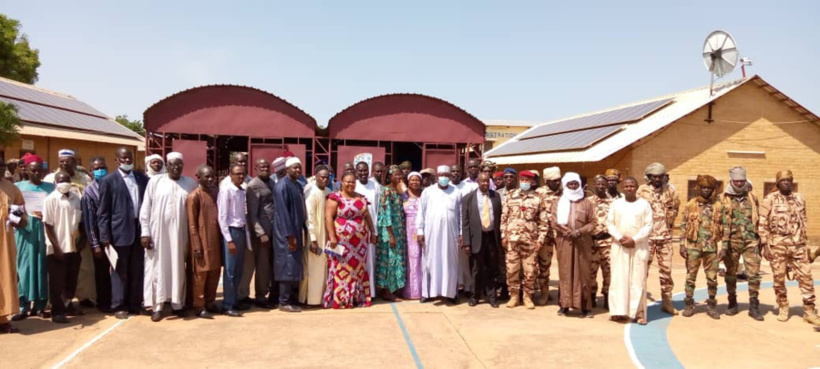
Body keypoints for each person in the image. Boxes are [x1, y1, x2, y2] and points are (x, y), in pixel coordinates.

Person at [139, 153, 196, 322]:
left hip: (181, 235)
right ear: (167, 166)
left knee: (178, 267)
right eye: (172, 164)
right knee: (158, 268)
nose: (176, 167)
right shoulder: (155, 182)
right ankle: (157, 306)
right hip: (158, 234)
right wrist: (145, 232)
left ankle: (177, 304)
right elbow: (145, 208)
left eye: (179, 164)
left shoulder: (190, 184)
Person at [759, 170, 820, 326]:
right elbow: (762, 223)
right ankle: (783, 306)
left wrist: (803, 241)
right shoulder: (770, 199)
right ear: (778, 182)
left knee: (806, 278)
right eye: (783, 180)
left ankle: (809, 310)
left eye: (789, 180)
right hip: (777, 245)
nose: (786, 182)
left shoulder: (799, 198)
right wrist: (765, 244)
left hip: (798, 245)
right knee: (778, 279)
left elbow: (803, 220)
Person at [98, 147, 149, 319]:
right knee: (119, 271)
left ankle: (135, 303)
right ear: (117, 160)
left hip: (139, 230)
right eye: (123, 158)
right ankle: (119, 304)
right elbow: (103, 212)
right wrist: (104, 237)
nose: (127, 161)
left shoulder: (142, 179)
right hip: (119, 232)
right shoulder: (108, 181)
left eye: (129, 158)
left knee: (137, 269)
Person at [43, 149, 95, 307]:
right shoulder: (50, 178)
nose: (65, 163)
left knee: (83, 266)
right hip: (57, 228)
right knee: (58, 269)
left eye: (68, 160)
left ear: (75, 161)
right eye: (62, 161)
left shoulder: (84, 178)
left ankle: (83, 296)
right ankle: (57, 304)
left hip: (77, 227)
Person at [323, 172, 375, 308]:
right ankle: (342, 299)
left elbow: (367, 216)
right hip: (341, 240)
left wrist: (373, 231)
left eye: (353, 182)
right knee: (341, 267)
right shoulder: (335, 197)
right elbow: (328, 217)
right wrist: (332, 236)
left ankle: (357, 298)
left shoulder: (361, 197)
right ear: (341, 182)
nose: (350, 184)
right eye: (347, 181)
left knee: (359, 269)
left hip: (360, 243)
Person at [606, 177, 653, 325]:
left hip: (638, 246)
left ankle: (638, 313)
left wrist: (635, 239)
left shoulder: (644, 205)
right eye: (626, 186)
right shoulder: (616, 204)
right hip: (619, 246)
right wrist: (620, 238)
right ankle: (618, 312)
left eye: (632, 186)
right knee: (619, 278)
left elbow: (648, 226)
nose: (629, 188)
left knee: (638, 280)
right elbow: (610, 224)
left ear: (637, 187)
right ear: (622, 188)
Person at [719, 166, 763, 321]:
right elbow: (719, 221)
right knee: (730, 274)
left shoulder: (752, 196)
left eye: (742, 180)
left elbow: (758, 217)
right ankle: (732, 303)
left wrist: (761, 240)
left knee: (754, 274)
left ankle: (754, 306)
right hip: (731, 242)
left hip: (751, 241)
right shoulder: (723, 198)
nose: (739, 183)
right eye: (736, 181)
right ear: (731, 180)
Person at [636, 162, 680, 315]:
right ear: (648, 177)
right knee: (642, 272)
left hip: (665, 238)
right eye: (654, 176)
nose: (657, 179)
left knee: (666, 271)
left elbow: (675, 207)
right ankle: (639, 304)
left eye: (660, 176)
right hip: (647, 238)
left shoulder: (671, 191)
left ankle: (667, 302)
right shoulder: (641, 191)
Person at [12, 155, 52, 321]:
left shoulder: (50, 187)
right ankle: (23, 305)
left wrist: (47, 214)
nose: (36, 173)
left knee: (41, 266)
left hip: (43, 230)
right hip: (24, 231)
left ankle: (41, 305)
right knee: (24, 267)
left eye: (39, 170)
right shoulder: (17, 187)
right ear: (26, 170)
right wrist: (22, 217)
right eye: (33, 170)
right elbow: (14, 210)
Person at [501, 170, 547, 309]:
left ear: (532, 182)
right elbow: (504, 218)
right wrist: (504, 235)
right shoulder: (510, 196)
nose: (524, 182)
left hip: (530, 240)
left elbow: (543, 222)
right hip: (513, 240)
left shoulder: (538, 198)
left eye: (527, 180)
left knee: (530, 270)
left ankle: (528, 296)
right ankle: (514, 296)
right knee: (512, 269)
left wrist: (540, 240)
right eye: (522, 180)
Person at [679, 175, 723, 320]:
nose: (705, 190)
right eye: (703, 187)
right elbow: (683, 225)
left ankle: (711, 305)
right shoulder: (691, 204)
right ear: (698, 188)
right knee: (690, 277)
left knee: (712, 278)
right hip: (693, 247)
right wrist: (682, 244)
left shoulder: (718, 205)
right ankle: (688, 304)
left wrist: (724, 247)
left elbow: (725, 226)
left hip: (711, 248)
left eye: (708, 188)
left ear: (713, 190)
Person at [417, 165, 462, 304]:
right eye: (441, 174)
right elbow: (421, 212)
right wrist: (420, 230)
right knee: (430, 261)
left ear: (449, 177)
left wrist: (461, 233)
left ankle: (450, 293)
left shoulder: (456, 192)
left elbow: (460, 214)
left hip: (451, 234)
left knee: (450, 262)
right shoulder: (428, 192)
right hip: (431, 233)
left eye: (446, 175)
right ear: (436, 176)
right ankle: (427, 293)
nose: (444, 177)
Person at [553, 172, 596, 317]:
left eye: (575, 183)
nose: (573, 186)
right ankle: (564, 305)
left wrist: (579, 231)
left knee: (583, 274)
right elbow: (554, 221)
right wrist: (568, 231)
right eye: (570, 184)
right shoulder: (558, 202)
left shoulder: (586, 202)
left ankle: (585, 307)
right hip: (565, 242)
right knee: (565, 273)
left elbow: (593, 222)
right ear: (565, 185)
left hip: (582, 242)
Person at [43, 171, 84, 323]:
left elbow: (79, 222)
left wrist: (81, 240)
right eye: (60, 180)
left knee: (71, 280)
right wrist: (56, 247)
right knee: (57, 282)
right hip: (57, 248)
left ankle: (67, 305)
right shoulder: (51, 199)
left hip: (73, 247)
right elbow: (48, 225)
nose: (64, 182)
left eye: (66, 180)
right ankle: (57, 311)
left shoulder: (75, 198)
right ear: (55, 182)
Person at [186, 165, 223, 319]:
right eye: (206, 177)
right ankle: (199, 306)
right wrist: (196, 245)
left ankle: (210, 302)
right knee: (200, 276)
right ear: (198, 177)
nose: (210, 179)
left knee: (214, 272)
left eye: (212, 176)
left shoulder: (215, 192)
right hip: (201, 242)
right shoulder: (194, 196)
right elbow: (192, 224)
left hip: (215, 240)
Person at [461, 173, 501, 308]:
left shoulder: (496, 197)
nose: (485, 184)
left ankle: (492, 297)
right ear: (477, 182)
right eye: (482, 181)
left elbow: (499, 217)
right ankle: (474, 296)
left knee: (491, 268)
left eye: (487, 181)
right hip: (476, 238)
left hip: (491, 237)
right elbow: (465, 222)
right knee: (476, 269)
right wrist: (466, 243)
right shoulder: (468, 198)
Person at [273, 157, 307, 313]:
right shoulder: (282, 186)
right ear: (287, 170)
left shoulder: (298, 185)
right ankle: (284, 301)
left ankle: (292, 299)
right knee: (287, 265)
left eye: (299, 168)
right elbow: (283, 213)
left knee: (294, 265)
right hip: (286, 234)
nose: (298, 171)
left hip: (296, 231)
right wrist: (290, 236)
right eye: (295, 168)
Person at [81, 157, 113, 313]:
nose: (100, 170)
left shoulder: (113, 185)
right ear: (91, 171)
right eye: (96, 168)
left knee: (116, 270)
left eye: (103, 167)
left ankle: (117, 299)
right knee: (102, 272)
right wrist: (94, 244)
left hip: (116, 237)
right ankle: (104, 302)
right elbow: (89, 220)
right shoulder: (89, 192)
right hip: (100, 239)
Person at [217, 164, 249, 318]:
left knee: (238, 270)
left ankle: (234, 300)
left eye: (242, 174)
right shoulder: (226, 191)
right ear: (231, 175)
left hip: (241, 232)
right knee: (230, 271)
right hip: (231, 232)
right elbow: (222, 218)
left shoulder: (242, 191)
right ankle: (227, 304)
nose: (240, 177)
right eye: (237, 174)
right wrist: (228, 239)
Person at [244, 158, 275, 309]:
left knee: (270, 265)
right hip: (263, 232)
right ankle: (260, 297)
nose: (265, 169)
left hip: (274, 230)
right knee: (262, 266)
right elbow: (252, 213)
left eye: (267, 166)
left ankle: (270, 293)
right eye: (261, 167)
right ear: (255, 169)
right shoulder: (254, 185)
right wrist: (260, 233)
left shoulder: (271, 182)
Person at [300, 165, 331, 306]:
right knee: (311, 268)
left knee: (323, 267)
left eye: (327, 177)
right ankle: (308, 299)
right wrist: (313, 239)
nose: (324, 179)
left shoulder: (329, 192)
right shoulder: (311, 192)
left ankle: (320, 298)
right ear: (316, 176)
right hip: (315, 236)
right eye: (322, 177)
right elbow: (309, 218)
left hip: (326, 235)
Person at [376, 165, 407, 302]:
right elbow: (386, 214)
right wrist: (391, 236)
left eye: (400, 174)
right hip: (390, 232)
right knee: (389, 260)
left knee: (397, 261)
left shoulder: (398, 190)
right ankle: (386, 291)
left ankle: (394, 288)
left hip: (398, 231)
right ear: (389, 176)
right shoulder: (386, 191)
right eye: (396, 175)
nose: (399, 177)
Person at [535, 166, 562, 305]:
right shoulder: (539, 193)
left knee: (564, 265)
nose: (558, 183)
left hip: (562, 235)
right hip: (545, 235)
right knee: (544, 265)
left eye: (559, 180)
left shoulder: (564, 193)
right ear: (546, 181)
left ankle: (563, 295)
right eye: (554, 181)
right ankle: (544, 293)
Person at [354, 161, 380, 298]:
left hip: (372, 229)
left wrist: (375, 231)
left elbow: (378, 208)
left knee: (371, 261)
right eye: (360, 171)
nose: (363, 173)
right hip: (356, 230)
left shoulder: (375, 185)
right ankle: (357, 292)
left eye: (365, 170)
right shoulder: (353, 185)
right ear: (356, 171)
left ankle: (370, 292)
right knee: (358, 261)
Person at [0, 179, 23, 333]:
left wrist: (17, 220)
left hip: (5, 242)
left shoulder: (12, 188)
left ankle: (2, 320)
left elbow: (19, 212)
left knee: (5, 277)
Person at [589, 175, 614, 310]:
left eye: (603, 184)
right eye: (598, 184)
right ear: (594, 184)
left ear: (607, 185)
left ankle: (607, 297)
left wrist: (607, 232)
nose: (600, 187)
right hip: (592, 243)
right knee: (591, 272)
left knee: (608, 272)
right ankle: (591, 296)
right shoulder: (588, 202)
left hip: (608, 243)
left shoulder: (613, 203)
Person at [452, 163, 476, 295]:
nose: (455, 173)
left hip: (464, 228)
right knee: (451, 259)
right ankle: (454, 285)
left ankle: (467, 286)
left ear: (461, 173)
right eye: (453, 171)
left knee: (464, 260)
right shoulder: (446, 187)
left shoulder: (468, 187)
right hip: (449, 228)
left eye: (457, 171)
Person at [402, 172, 423, 300]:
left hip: (421, 230)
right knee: (409, 259)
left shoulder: (424, 195)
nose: (414, 182)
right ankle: (409, 291)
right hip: (407, 231)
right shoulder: (403, 196)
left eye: (417, 180)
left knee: (421, 259)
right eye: (412, 180)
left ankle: (421, 290)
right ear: (408, 181)